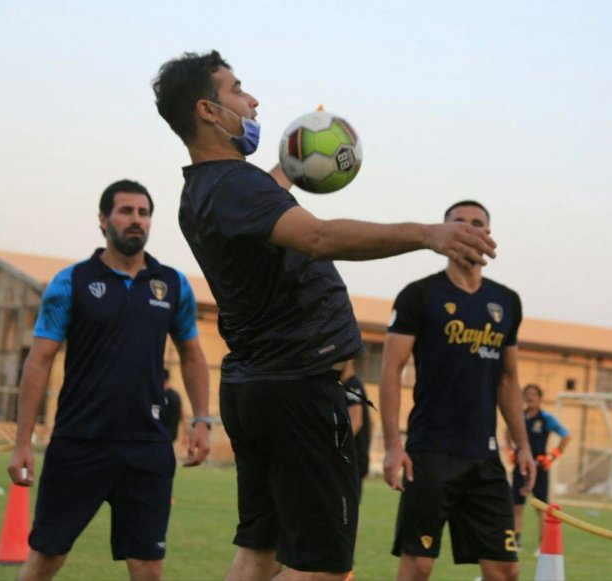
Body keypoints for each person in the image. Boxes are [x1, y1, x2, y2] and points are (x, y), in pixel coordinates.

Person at [152, 50, 496, 581]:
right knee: (322, 569)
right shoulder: (236, 187)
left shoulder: (201, 191)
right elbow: (316, 236)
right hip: (300, 391)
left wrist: (293, 162)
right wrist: (428, 234)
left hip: (256, 388)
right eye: (237, 90)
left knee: (259, 552)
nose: (253, 100)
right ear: (208, 111)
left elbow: (261, 202)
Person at [7, 180, 211, 581]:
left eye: (144, 213)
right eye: (126, 211)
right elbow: (39, 360)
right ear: (103, 220)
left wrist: (202, 418)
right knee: (44, 561)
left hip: (147, 448)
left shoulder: (173, 285)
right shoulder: (71, 282)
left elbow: (192, 354)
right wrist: (21, 443)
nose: (136, 220)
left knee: (149, 570)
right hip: (79, 443)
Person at [380, 200, 536, 581]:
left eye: (477, 223)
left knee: (505, 570)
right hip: (429, 452)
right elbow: (390, 370)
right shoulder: (419, 295)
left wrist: (523, 444)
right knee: (418, 566)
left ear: (488, 235)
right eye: (458, 223)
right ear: (444, 233)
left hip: (484, 458)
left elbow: (508, 380)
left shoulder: (506, 302)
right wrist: (392, 445)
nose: (468, 229)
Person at [506, 383, 570, 552]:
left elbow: (566, 436)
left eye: (534, 394)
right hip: (521, 468)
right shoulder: (519, 416)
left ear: (540, 398)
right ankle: (515, 541)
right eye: (527, 394)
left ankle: (543, 544)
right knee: (516, 506)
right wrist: (509, 450)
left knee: (541, 508)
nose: (530, 397)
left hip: (540, 469)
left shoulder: (546, 419)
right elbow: (507, 431)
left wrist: (553, 456)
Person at [341, 359, 372, 501]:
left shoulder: (352, 386)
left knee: (346, 511)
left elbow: (356, 421)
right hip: (354, 461)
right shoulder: (346, 386)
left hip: (352, 462)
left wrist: (335, 447)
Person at [162, 368, 191, 446]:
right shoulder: (175, 395)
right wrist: (185, 433)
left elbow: (182, 414)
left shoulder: (164, 396)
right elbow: (183, 414)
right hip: (169, 435)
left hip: (163, 435)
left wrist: (185, 434)